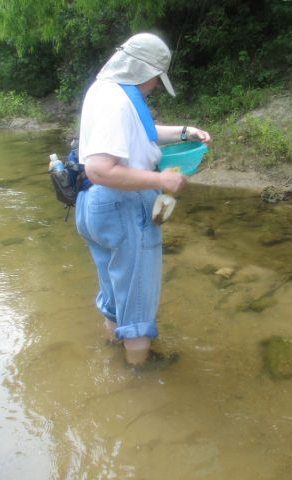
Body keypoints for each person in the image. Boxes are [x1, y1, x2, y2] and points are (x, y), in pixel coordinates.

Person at [76, 32, 210, 367]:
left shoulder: (105, 91)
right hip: (124, 206)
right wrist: (160, 179)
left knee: (114, 293)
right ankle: (138, 378)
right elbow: (99, 168)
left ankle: (112, 350)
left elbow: (142, 132)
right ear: (143, 71)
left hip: (96, 208)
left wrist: (184, 131)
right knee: (137, 304)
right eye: (155, 78)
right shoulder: (116, 101)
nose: (154, 85)